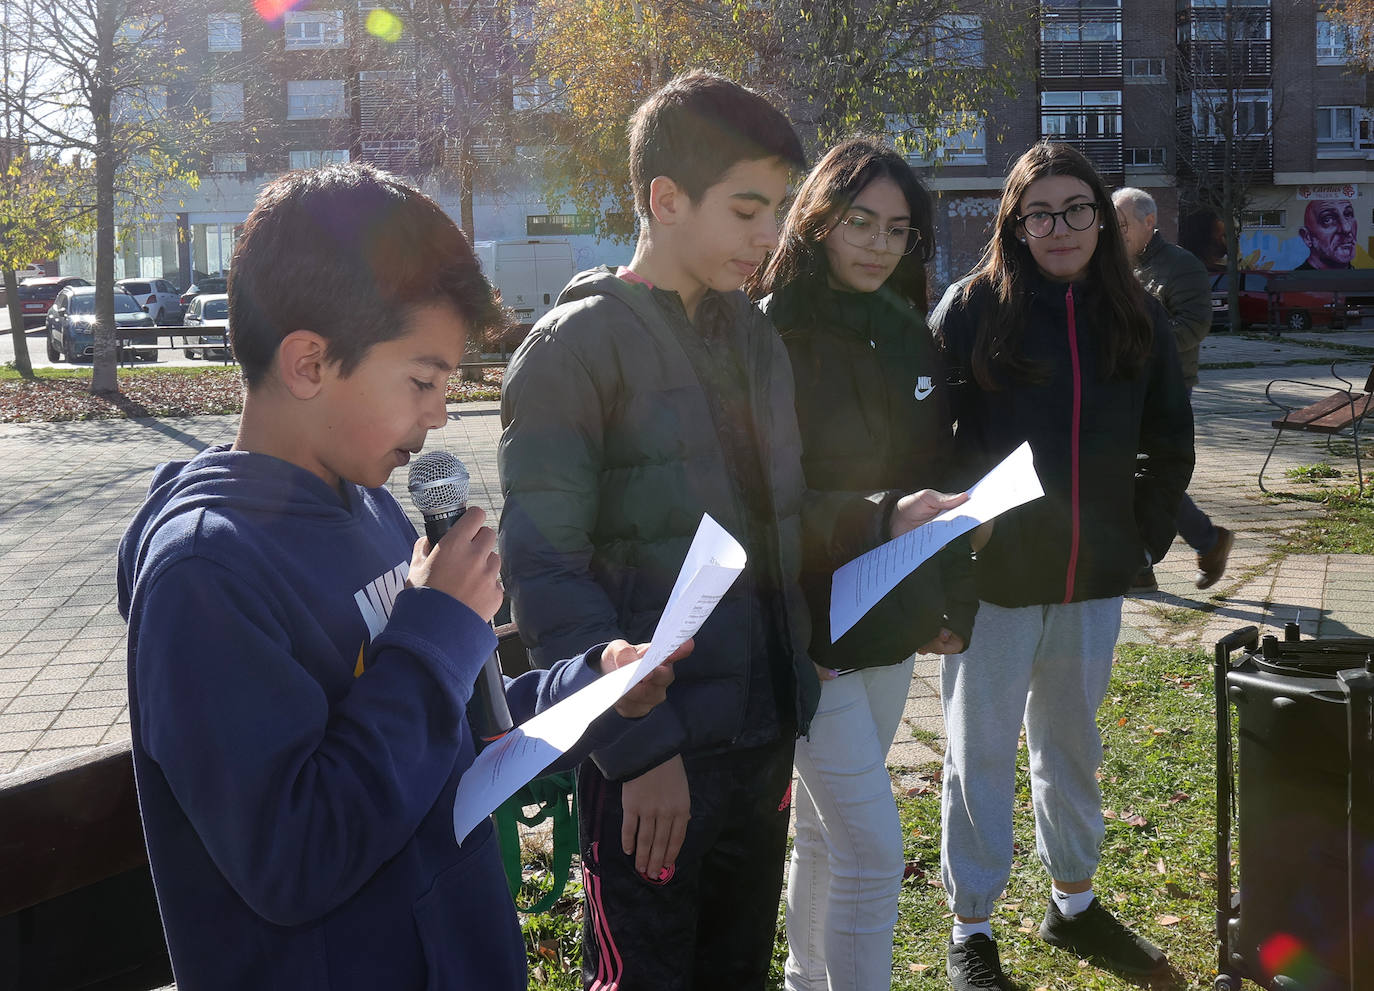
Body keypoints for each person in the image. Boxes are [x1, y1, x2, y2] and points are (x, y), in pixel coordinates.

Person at [115, 163, 683, 991]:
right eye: (423, 380)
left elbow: (451, 727)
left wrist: (587, 686)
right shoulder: (206, 575)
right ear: (309, 362)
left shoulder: (370, 507)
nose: (440, 414)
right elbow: (296, 853)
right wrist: (438, 627)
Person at [497, 73, 966, 991]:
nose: (771, 235)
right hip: (653, 763)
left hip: (760, 736)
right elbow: (547, 576)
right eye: (749, 209)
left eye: (779, 209)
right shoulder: (571, 350)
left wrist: (881, 517)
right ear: (663, 200)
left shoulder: (752, 338)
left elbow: (776, 518)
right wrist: (641, 748)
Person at [930, 142, 1194, 991]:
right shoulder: (972, 311)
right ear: (1014, 223)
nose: (1061, 227)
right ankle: (972, 927)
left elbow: (1169, 441)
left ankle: (1073, 902)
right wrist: (954, 553)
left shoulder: (1137, 317)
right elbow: (931, 447)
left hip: (1091, 583)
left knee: (1071, 747)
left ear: (1103, 220)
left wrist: (1138, 541)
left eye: (1078, 208)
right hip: (996, 588)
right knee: (980, 753)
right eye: (1039, 212)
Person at [746, 137, 978, 991]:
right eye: (861, 222)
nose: (879, 245)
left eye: (898, 229)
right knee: (876, 849)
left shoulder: (910, 331)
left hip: (891, 616)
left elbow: (935, 472)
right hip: (809, 630)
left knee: (825, 831)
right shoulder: (771, 331)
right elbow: (759, 503)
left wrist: (950, 593)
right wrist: (796, 619)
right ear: (819, 219)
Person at [1114, 187, 1235, 591]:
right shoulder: (1116, 266)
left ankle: (1164, 554)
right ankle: (1158, 557)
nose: (1117, 231)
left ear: (1150, 223)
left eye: (1124, 224)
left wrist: (1144, 351)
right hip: (1125, 386)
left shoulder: (1182, 266)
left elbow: (1196, 325)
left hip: (1168, 388)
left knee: (1149, 472)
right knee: (1128, 470)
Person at [1297, 198, 1357, 270]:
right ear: (1307, 237)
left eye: (1348, 214)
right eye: (1328, 220)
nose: (1347, 228)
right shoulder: (1298, 279)